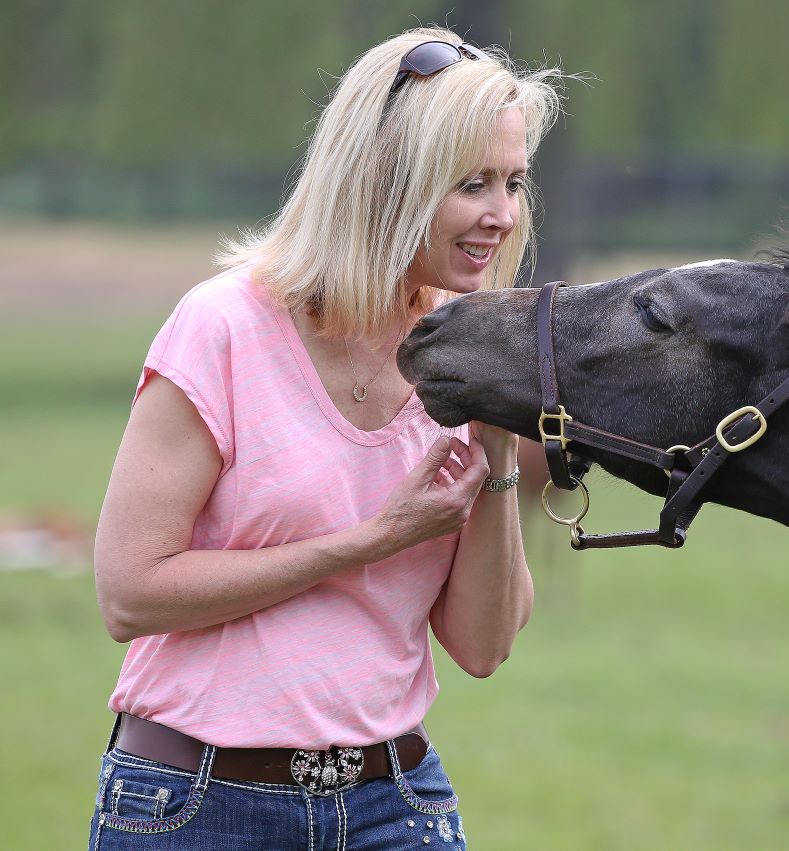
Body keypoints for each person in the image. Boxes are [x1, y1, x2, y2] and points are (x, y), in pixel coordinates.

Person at [88, 27, 563, 850]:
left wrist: (497, 453)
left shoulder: (464, 354)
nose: (503, 214)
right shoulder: (223, 327)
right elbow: (130, 593)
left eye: (513, 182)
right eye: (473, 184)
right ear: (386, 180)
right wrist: (376, 538)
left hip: (396, 805)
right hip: (196, 804)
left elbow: (484, 647)